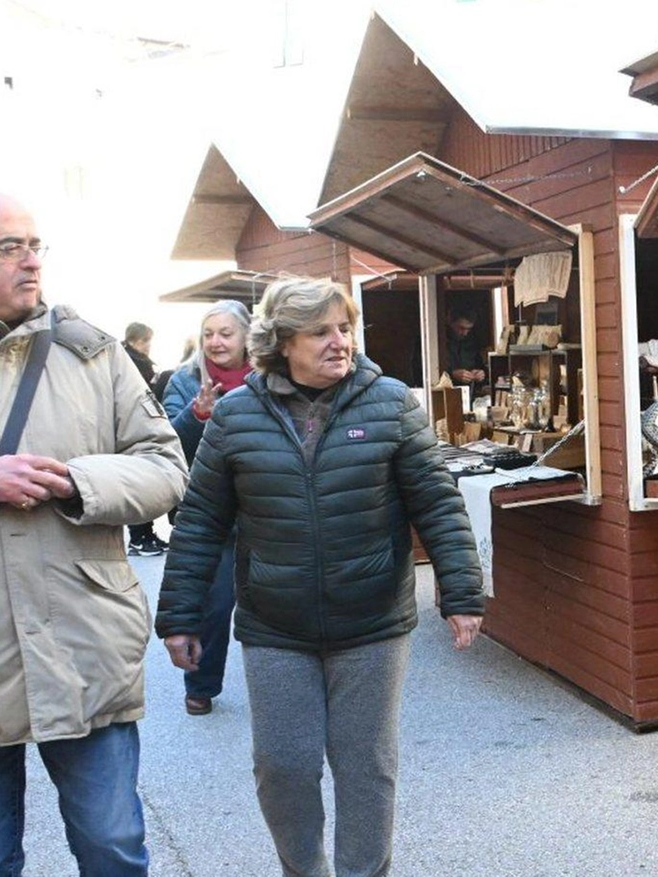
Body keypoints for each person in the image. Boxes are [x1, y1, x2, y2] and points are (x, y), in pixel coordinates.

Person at [156, 277, 484, 877]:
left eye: (345, 328)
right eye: (321, 331)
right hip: (276, 625)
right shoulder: (234, 417)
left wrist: (461, 591)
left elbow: (436, 502)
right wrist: (179, 614)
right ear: (282, 342)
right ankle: (303, 869)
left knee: (366, 766)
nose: (340, 342)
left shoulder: (389, 403)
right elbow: (200, 521)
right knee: (282, 764)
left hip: (373, 620)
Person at [0, 191, 188, 876]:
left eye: (36, 245)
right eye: (10, 247)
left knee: (113, 850)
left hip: (83, 645)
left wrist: (78, 483)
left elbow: (167, 468)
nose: (33, 261)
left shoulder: (92, 353)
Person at [158, 299, 253, 716]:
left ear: (247, 337)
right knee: (213, 607)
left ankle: (284, 687)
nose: (215, 342)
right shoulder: (183, 381)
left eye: (225, 333)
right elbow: (165, 443)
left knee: (279, 606)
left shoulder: (270, 378)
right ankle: (201, 683)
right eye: (209, 334)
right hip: (212, 515)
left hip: (264, 507)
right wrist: (197, 414)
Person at [123, 321, 169, 556]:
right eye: (146, 341)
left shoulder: (135, 361)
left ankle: (146, 535)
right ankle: (139, 539)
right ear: (135, 340)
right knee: (137, 485)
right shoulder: (131, 362)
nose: (149, 346)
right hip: (132, 429)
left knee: (144, 483)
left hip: (139, 428)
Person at [445, 307, 488, 390]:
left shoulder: (472, 342)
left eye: (469, 329)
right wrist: (452, 375)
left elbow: (480, 366)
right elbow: (424, 371)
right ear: (450, 322)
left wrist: (481, 374)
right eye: (461, 328)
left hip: (470, 393)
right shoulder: (437, 342)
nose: (465, 333)